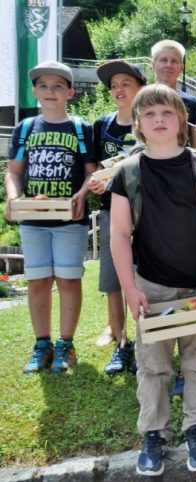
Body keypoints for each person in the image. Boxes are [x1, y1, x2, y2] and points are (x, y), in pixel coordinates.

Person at [109, 84, 196, 476]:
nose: (158, 120)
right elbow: (118, 236)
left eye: (166, 112)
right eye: (149, 114)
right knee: (153, 367)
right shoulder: (127, 172)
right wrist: (130, 289)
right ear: (139, 124)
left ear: (181, 120)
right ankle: (154, 434)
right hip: (152, 287)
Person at [6, 61, 96, 374]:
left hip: (69, 220)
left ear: (70, 91)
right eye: (43, 86)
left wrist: (82, 194)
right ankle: (41, 344)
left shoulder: (82, 129)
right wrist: (13, 198)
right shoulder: (25, 129)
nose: (50, 92)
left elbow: (91, 172)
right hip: (33, 220)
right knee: (37, 281)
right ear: (34, 92)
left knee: (69, 280)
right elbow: (14, 172)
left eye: (58, 86)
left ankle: (66, 345)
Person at [90, 60, 146, 374]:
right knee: (113, 281)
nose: (118, 89)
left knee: (143, 279)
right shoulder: (102, 125)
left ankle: (143, 343)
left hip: (148, 216)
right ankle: (121, 344)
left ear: (140, 86)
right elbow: (95, 171)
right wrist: (96, 181)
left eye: (126, 83)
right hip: (113, 212)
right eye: (113, 85)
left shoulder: (153, 121)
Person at [150, 39, 196, 126]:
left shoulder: (194, 105)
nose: (168, 65)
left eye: (174, 61)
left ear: (181, 68)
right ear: (153, 65)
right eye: (163, 60)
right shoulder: (140, 100)